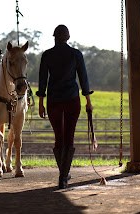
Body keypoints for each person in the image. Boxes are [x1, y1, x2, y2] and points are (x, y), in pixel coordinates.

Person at [36, 25, 93, 189]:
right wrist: (88, 101)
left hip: (53, 100)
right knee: (69, 137)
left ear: (54, 36)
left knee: (59, 138)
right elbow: (83, 79)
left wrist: (40, 104)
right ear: (67, 37)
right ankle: (63, 177)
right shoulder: (76, 54)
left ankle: (63, 174)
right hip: (72, 99)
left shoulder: (47, 55)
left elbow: (42, 81)